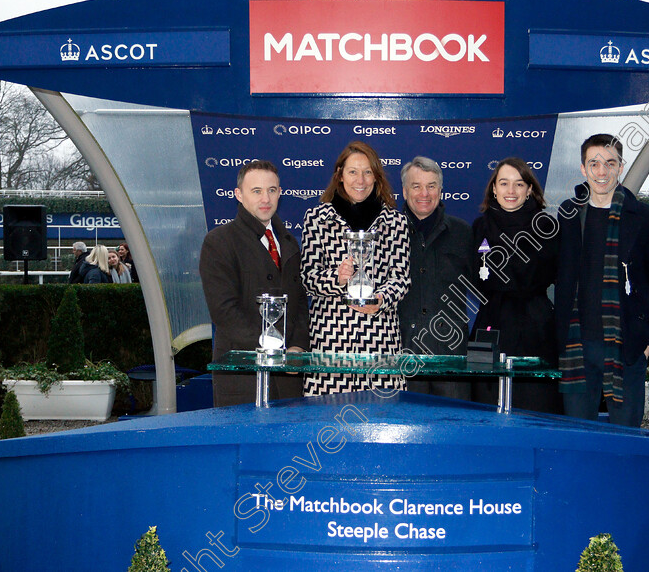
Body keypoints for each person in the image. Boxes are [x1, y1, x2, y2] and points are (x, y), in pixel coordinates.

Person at [555, 133, 649, 428]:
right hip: (577, 345)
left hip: (627, 346)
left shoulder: (644, 217)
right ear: (583, 169)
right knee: (577, 439)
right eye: (594, 163)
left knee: (625, 440)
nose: (601, 171)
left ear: (621, 166)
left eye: (610, 163)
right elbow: (559, 275)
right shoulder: (568, 215)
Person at [301, 140, 410, 396]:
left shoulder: (395, 222)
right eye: (352, 172)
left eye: (367, 172)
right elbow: (308, 277)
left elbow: (401, 278)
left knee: (382, 421)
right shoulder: (317, 219)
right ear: (339, 175)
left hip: (380, 336)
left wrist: (382, 299)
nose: (360, 180)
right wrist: (336, 278)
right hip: (330, 338)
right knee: (328, 418)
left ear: (377, 176)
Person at [199, 160, 310, 406]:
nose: (265, 199)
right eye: (256, 191)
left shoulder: (290, 243)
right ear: (239, 195)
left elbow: (301, 302)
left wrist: (298, 347)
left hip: (289, 380)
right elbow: (224, 311)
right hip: (243, 376)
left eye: (271, 190)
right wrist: (271, 349)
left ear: (280, 192)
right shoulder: (218, 242)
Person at [471, 157, 561, 412]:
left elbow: (561, 277)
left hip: (535, 327)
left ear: (530, 189)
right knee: (483, 409)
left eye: (519, 184)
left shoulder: (548, 226)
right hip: (488, 327)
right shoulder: (479, 227)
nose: (511, 191)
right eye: (504, 183)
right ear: (493, 189)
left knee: (536, 406)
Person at [398, 156, 475, 400]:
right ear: (404, 190)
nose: (424, 193)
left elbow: (484, 286)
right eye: (416, 186)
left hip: (451, 357)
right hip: (402, 355)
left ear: (441, 191)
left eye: (431, 186)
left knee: (453, 429)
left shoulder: (463, 232)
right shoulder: (386, 233)